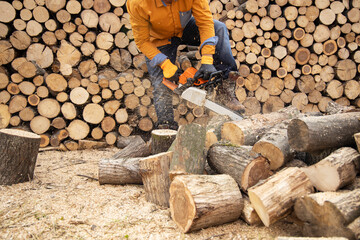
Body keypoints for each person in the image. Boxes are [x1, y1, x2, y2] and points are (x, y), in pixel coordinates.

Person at [126, 0, 243, 130]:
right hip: (158, 39)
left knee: (219, 28)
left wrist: (207, 59)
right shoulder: (138, 3)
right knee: (161, 84)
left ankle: (225, 90)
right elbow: (142, 41)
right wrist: (164, 64)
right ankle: (166, 126)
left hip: (184, 28)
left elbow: (205, 22)